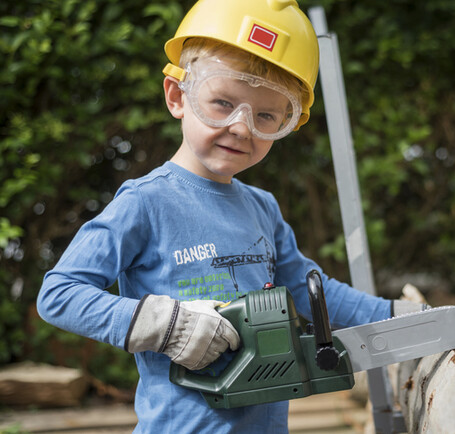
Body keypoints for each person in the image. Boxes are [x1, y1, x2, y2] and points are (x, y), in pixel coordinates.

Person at [37, 0, 425, 432]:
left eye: (266, 116)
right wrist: (164, 326)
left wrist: (402, 315)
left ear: (287, 122)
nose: (242, 127)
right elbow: (60, 294)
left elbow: (312, 292)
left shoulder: (263, 208)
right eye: (223, 103)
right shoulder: (146, 203)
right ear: (177, 96)